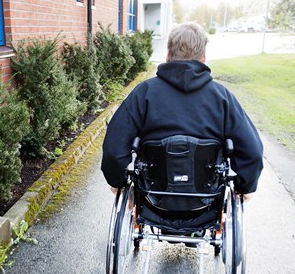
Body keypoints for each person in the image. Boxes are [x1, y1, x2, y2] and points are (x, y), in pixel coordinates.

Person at [101, 22, 264, 198]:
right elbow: (252, 152)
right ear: (203, 56)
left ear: (168, 55)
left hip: (154, 197)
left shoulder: (144, 93)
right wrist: (244, 187)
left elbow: (114, 149)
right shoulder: (222, 97)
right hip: (206, 199)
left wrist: (118, 182)